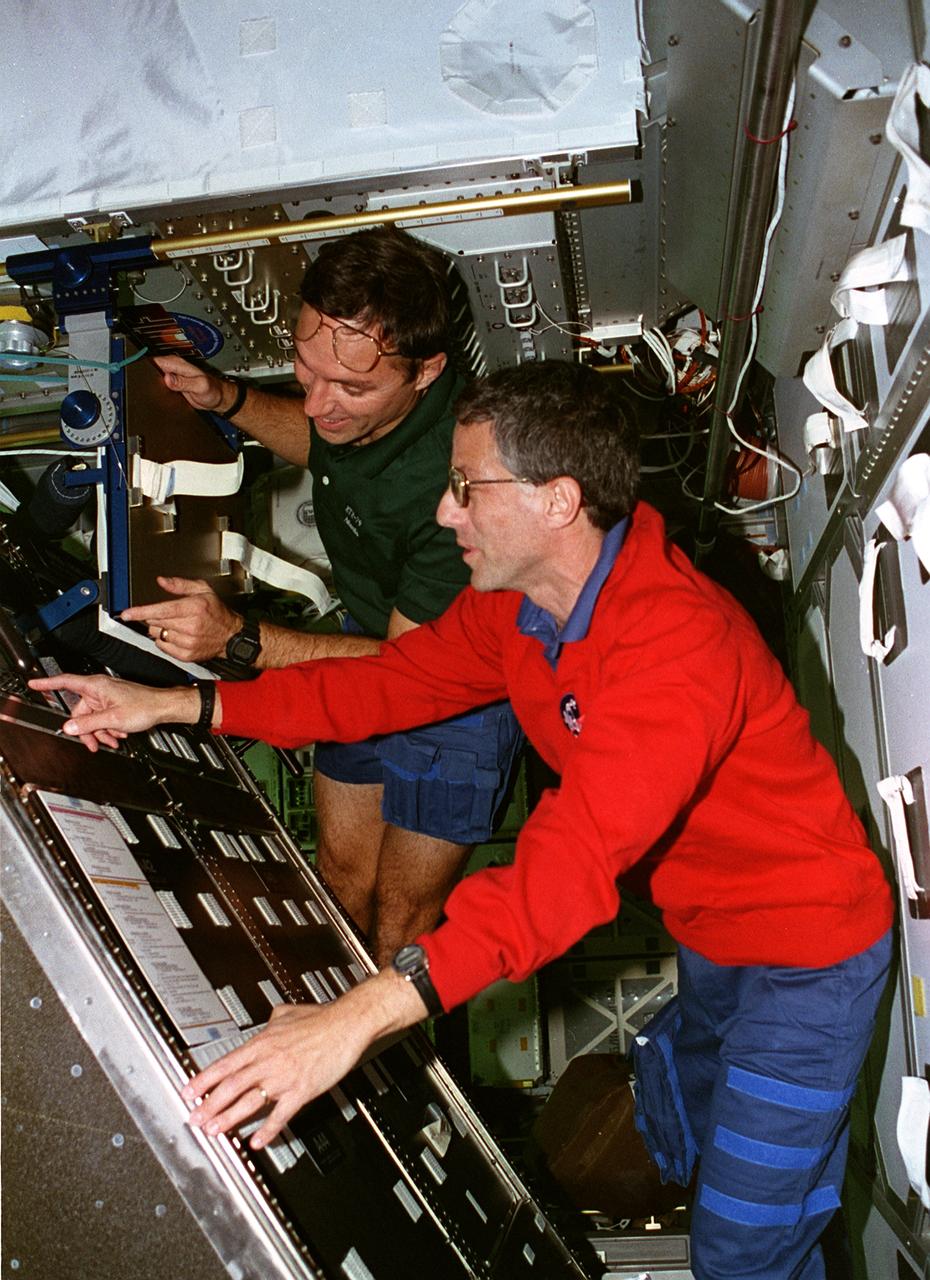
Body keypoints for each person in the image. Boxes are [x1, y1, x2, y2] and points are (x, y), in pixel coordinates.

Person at [34, 361, 893, 1280]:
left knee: (743, 1255)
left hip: (809, 954)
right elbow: (385, 687)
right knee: (673, 1131)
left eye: (465, 487)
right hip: (714, 937)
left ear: (556, 501)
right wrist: (176, 708)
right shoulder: (522, 612)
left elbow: (567, 866)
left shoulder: (675, 647)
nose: (446, 515)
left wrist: (355, 1019)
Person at [120, 227, 522, 966]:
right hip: (367, 635)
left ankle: (372, 1062)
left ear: (426, 371)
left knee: (402, 920)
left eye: (351, 388)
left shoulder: (457, 480)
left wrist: (242, 639)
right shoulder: (354, 406)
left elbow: (408, 670)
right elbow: (325, 446)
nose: (318, 403)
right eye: (306, 372)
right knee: (339, 884)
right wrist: (230, 397)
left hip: (458, 696)